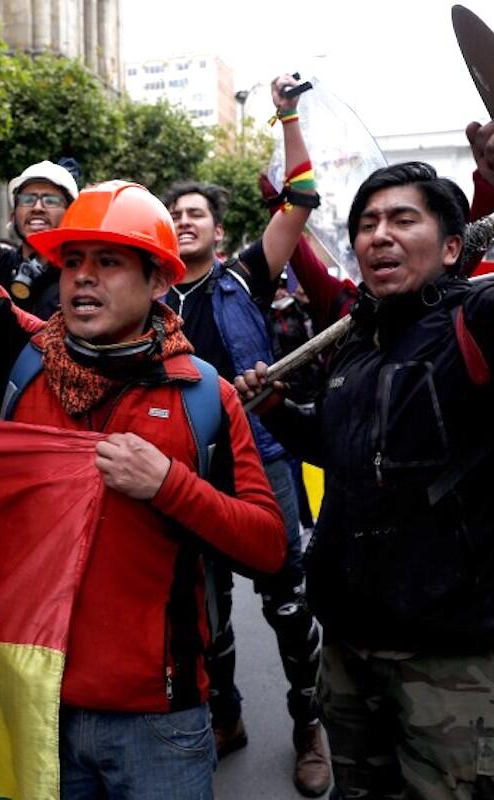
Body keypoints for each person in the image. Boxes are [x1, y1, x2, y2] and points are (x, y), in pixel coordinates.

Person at [0, 63, 284, 798]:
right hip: (34, 706)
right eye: (73, 262)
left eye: (108, 263)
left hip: (163, 727)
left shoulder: (204, 394)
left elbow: (267, 546)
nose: (81, 279)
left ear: (159, 283)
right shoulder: (24, 357)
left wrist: (169, 485)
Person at [236, 117, 494, 798]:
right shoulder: (355, 347)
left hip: (458, 671)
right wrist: (279, 411)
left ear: (453, 244)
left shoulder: (485, 326)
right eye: (368, 223)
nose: (380, 235)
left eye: (403, 219)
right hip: (349, 657)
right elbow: (342, 451)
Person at [160, 72, 330, 795]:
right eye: (174, 213)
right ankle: (225, 714)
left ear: (218, 230)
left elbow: (300, 201)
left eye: (195, 211)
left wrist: (286, 117)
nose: (184, 219)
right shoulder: (146, 298)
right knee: (203, 610)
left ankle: (309, 725)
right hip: (188, 474)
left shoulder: (246, 277)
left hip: (261, 463)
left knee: (288, 603)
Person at [0, 160, 79, 320]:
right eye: (27, 200)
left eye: (50, 201)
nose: (37, 207)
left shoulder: (80, 278)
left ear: (70, 214)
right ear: (13, 215)